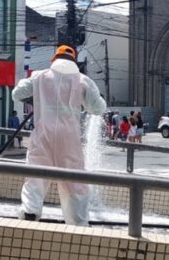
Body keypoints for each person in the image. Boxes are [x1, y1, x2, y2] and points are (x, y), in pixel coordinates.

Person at [12, 45, 107, 225]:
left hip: (43, 137)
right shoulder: (83, 80)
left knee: (35, 176)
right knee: (75, 182)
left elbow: (17, 94)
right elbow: (99, 108)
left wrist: (36, 97)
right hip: (69, 140)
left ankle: (30, 213)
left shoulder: (39, 76)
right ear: (74, 61)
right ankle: (78, 224)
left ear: (53, 60)